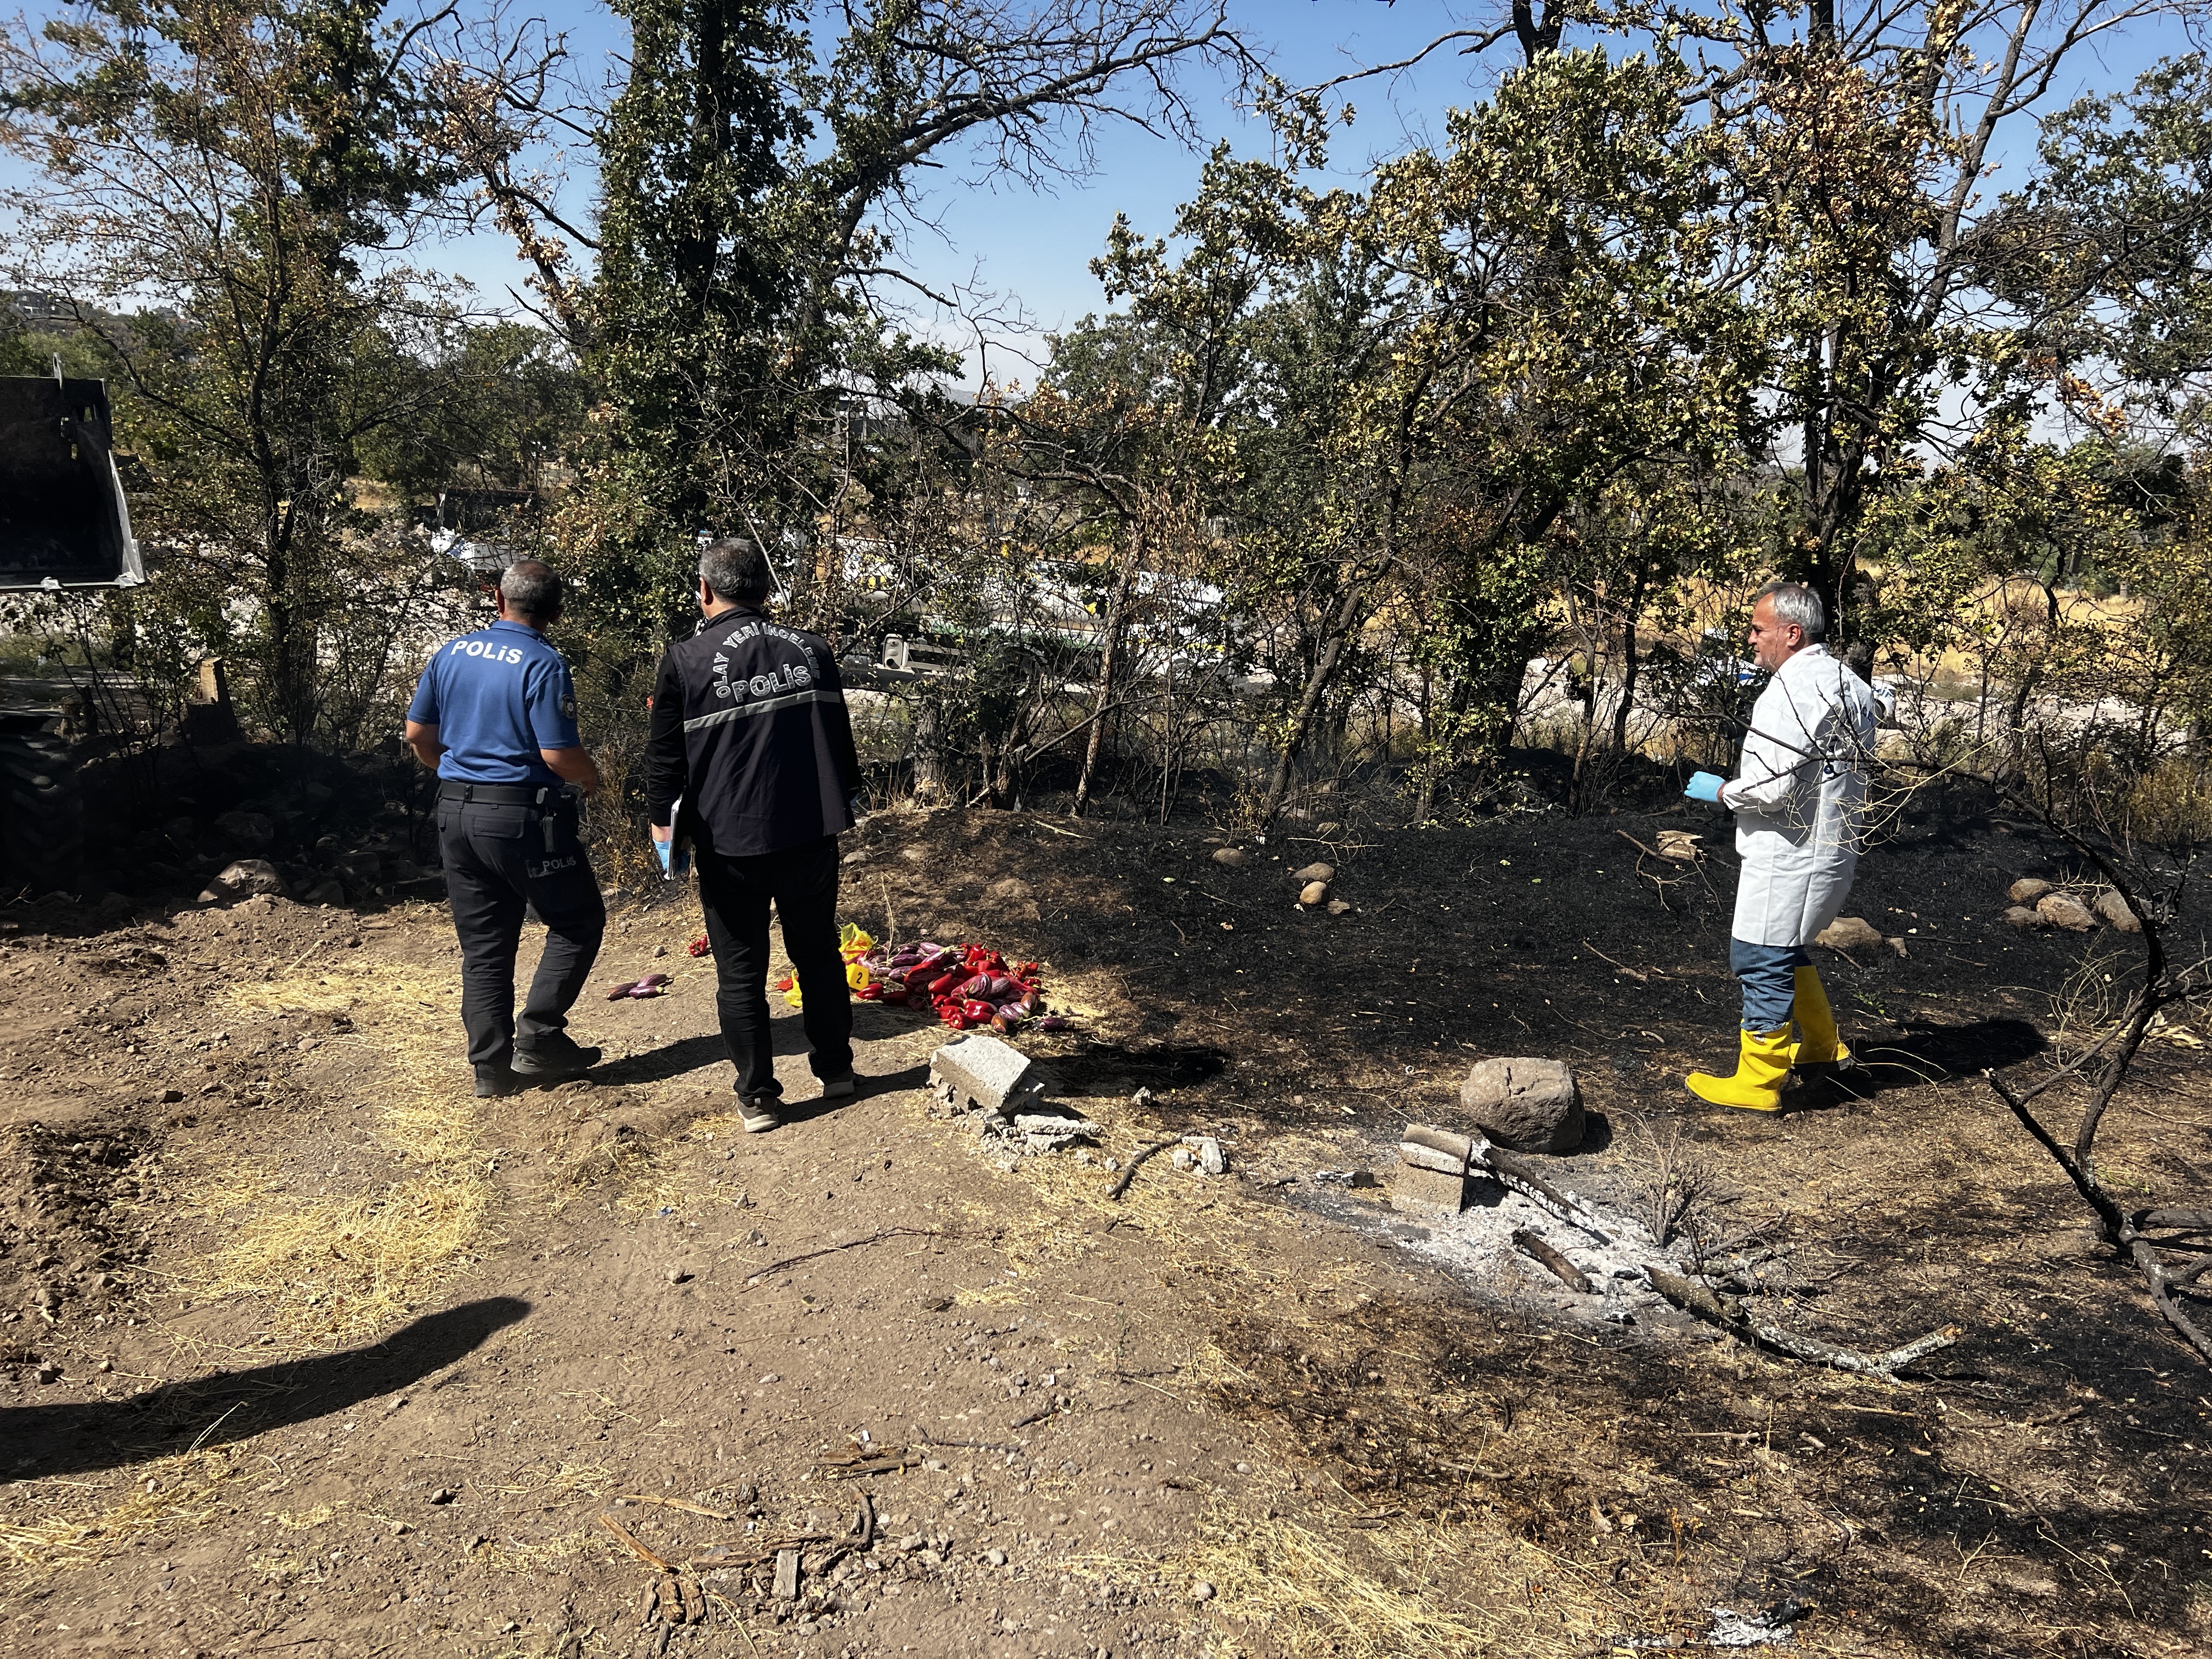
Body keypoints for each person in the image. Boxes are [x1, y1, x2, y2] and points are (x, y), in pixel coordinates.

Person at [644, 538, 865, 1134]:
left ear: (705, 589)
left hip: (728, 842)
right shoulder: (812, 650)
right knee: (816, 953)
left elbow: (664, 762)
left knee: (740, 971)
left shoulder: (686, 660)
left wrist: (665, 832)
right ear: (765, 589)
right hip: (810, 832)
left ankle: (758, 1098)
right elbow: (839, 737)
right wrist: (848, 797)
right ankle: (837, 1070)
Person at [403, 560, 606, 1098]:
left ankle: (490, 1069)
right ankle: (539, 1038)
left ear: (498, 599)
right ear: (556, 613)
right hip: (522, 816)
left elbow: (418, 733)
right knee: (578, 920)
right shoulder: (544, 663)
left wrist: (455, 774)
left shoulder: (451, 653)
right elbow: (558, 755)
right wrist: (591, 778)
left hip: (454, 812)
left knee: (485, 945)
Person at [1681, 581, 1882, 1112]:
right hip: (1833, 847)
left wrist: (1723, 791)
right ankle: (1821, 1047)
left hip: (1788, 850)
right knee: (1788, 948)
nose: (1750, 639)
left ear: (1792, 634)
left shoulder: (1789, 693)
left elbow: (1772, 789)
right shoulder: (1851, 684)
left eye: (1758, 630)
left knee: (1759, 957)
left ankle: (1760, 1080)